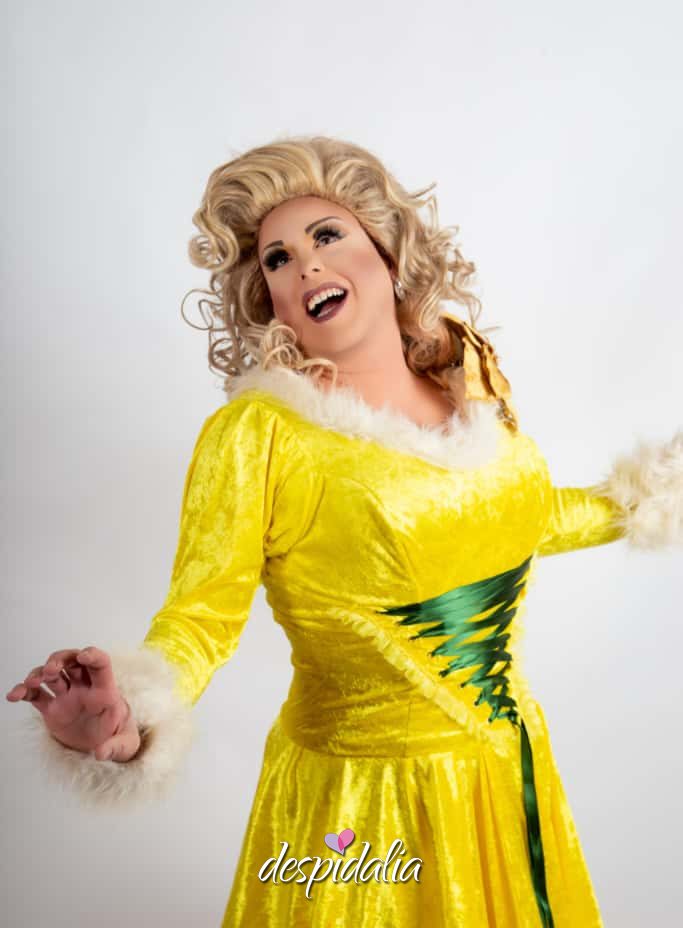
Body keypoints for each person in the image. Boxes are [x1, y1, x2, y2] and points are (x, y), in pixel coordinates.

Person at [6, 136, 682, 927]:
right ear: (270, 299)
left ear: (386, 253)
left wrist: (654, 493)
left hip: (502, 779)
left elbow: (518, 521)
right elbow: (201, 616)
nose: (305, 266)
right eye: (278, 259)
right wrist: (127, 722)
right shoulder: (261, 432)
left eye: (326, 236)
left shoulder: (465, 388)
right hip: (361, 801)